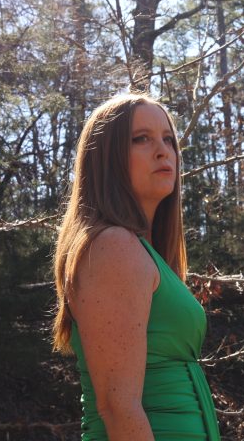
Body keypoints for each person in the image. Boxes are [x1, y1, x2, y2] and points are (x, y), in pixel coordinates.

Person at [52, 93, 220, 441]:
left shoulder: (142, 252)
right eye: (141, 139)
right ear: (107, 159)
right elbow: (118, 406)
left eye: (168, 140)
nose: (163, 151)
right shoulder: (113, 246)